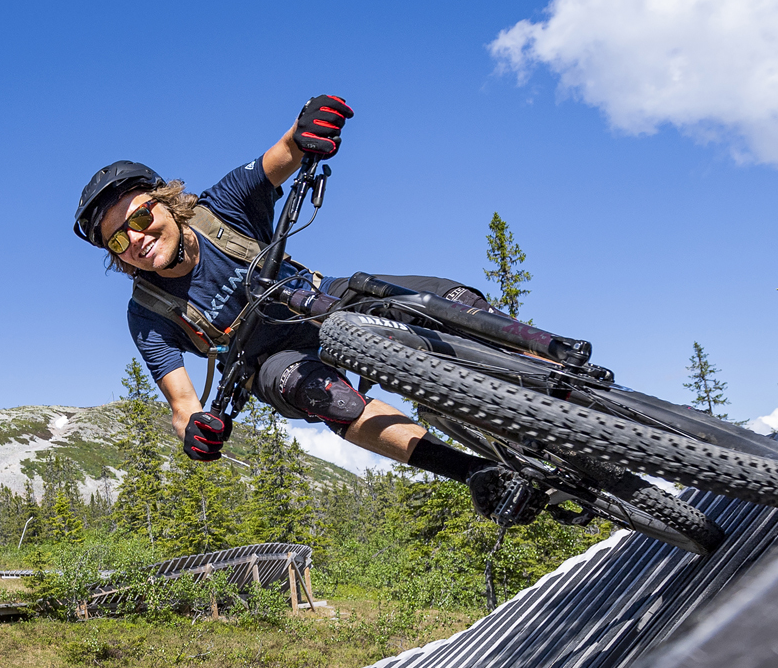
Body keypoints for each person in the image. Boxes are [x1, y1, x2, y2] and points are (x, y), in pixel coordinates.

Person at [72, 95, 531, 520]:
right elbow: (182, 405)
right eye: (118, 239)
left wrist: (311, 121)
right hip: (268, 361)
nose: (135, 238)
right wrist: (194, 431)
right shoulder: (148, 313)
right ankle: (472, 472)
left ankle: (558, 379)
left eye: (139, 217)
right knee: (329, 397)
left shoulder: (222, 207)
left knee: (443, 301)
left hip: (314, 296)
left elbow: (286, 149)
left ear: (167, 203)